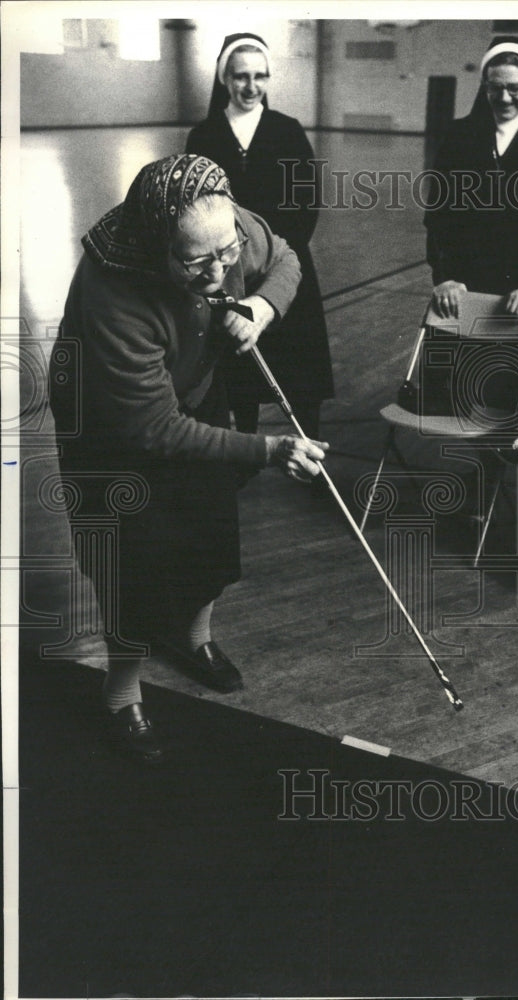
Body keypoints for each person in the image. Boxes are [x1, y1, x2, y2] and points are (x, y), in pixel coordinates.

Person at [49, 154, 328, 763]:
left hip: (191, 386)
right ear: (155, 246)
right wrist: (268, 449)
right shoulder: (112, 294)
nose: (220, 270)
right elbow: (152, 428)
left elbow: (284, 258)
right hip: (110, 425)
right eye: (197, 261)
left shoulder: (219, 224)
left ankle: (193, 639)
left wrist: (260, 308)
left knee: (210, 525)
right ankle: (121, 688)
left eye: (226, 253)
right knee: (128, 558)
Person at [186, 32, 334, 443]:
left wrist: (275, 259)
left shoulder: (288, 131)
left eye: (260, 76)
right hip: (228, 271)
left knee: (301, 373)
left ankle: (311, 447)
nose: (251, 87)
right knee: (239, 369)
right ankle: (247, 447)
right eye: (240, 77)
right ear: (224, 80)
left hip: (284, 265)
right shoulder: (203, 136)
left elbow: (306, 204)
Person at [425, 36, 518, 324]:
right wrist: (445, 278)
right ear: (484, 85)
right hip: (462, 287)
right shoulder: (459, 134)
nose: (505, 97)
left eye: (515, 88)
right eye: (495, 88)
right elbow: (438, 214)